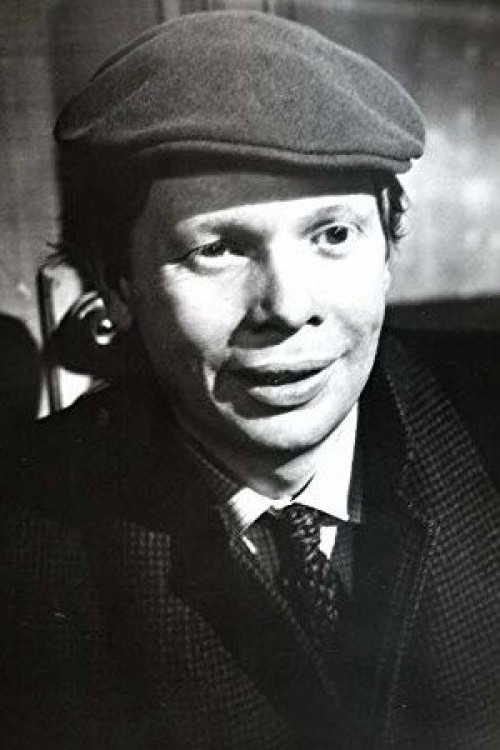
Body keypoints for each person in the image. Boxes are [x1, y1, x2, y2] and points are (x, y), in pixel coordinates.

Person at [1, 11, 499, 750]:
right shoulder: (26, 541)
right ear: (119, 284)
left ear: (388, 249)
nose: (288, 308)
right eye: (217, 249)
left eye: (333, 234)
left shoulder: (484, 427)